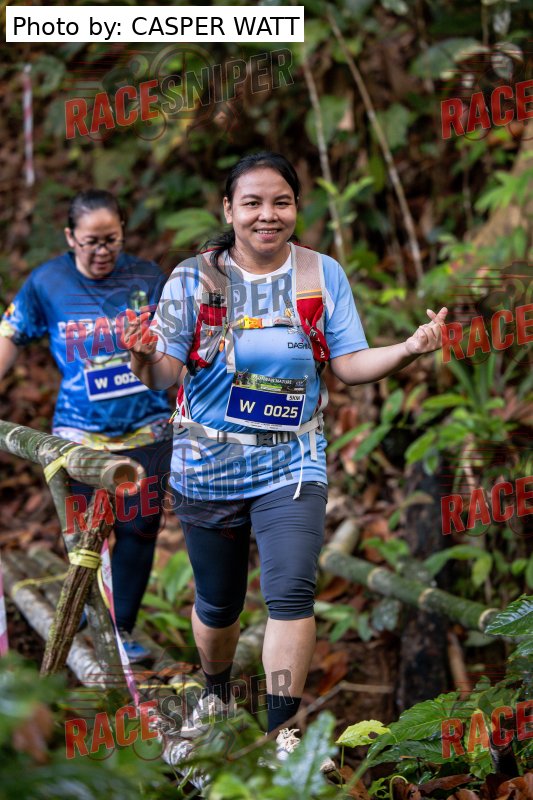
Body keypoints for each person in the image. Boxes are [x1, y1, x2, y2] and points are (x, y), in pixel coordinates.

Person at [126, 152, 447, 760]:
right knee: (218, 605)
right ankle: (215, 693)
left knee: (292, 593)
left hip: (292, 460)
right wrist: (142, 355)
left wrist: (408, 348)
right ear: (229, 210)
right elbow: (163, 371)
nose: (267, 215)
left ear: (297, 207)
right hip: (208, 463)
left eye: (281, 202)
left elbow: (349, 364)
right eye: (252, 203)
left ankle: (282, 734)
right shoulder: (192, 280)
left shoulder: (320, 274)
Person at [0, 189, 172, 662]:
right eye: (91, 241)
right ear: (70, 237)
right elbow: (10, 333)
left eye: (111, 240)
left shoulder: (147, 278)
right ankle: (85, 616)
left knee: (139, 530)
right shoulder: (47, 282)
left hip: (147, 430)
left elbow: (178, 343)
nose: (101, 251)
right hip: (78, 437)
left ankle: (123, 628)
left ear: (123, 233)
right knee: (84, 536)